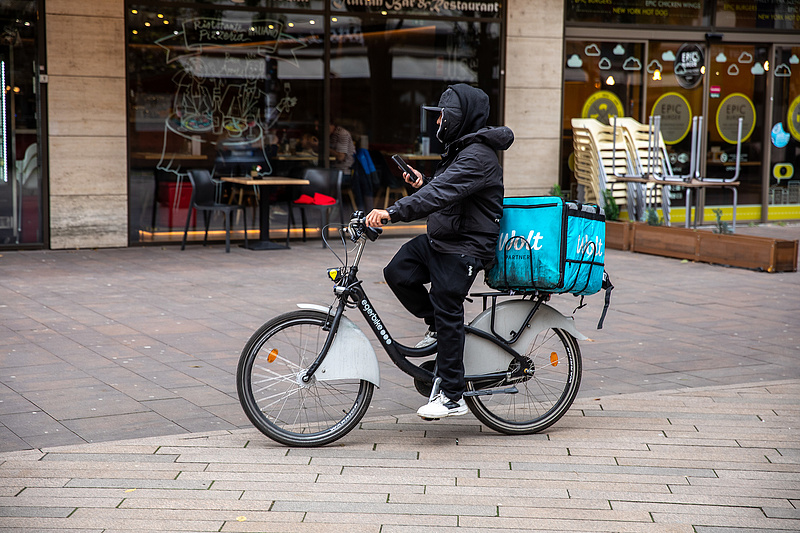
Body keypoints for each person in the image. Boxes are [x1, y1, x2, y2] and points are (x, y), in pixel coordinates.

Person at [365, 84, 514, 419]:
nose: (438, 124)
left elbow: (443, 194)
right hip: (443, 238)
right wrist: (422, 182)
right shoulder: (463, 149)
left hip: (466, 246)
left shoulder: (478, 156)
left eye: (443, 116)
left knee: (448, 305)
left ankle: (452, 394)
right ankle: (436, 325)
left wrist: (394, 211)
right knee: (398, 272)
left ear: (458, 118)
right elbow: (444, 189)